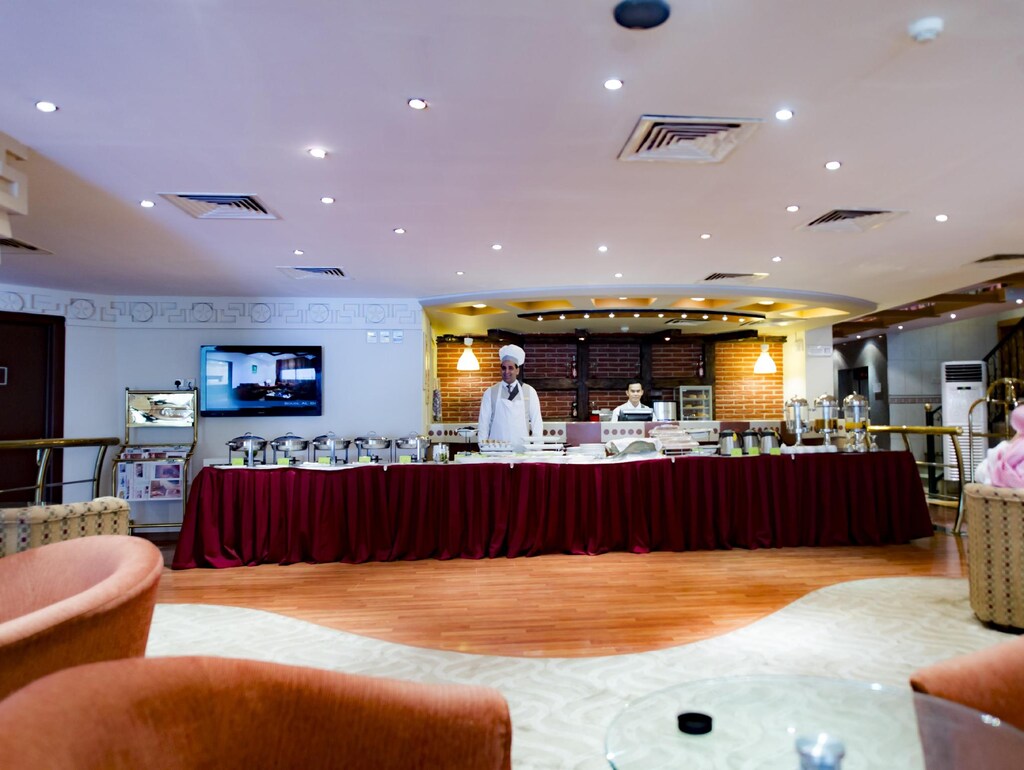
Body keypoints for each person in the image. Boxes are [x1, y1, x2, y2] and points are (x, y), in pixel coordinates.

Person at [477, 344, 543, 446]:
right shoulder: (490, 393)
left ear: (517, 370)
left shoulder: (529, 392)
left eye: (510, 368)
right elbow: (483, 424)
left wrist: (536, 448)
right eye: (503, 368)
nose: (506, 371)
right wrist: (483, 448)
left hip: (522, 450)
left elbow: (537, 422)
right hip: (496, 450)